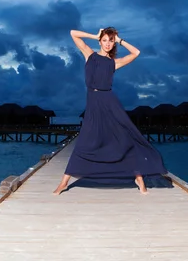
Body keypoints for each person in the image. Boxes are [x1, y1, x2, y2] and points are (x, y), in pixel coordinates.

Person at [53, 27, 169, 195]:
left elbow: (136, 52)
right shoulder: (89, 55)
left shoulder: (114, 62)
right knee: (85, 141)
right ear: (100, 41)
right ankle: (64, 182)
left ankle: (139, 178)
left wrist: (120, 39)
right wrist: (95, 35)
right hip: (93, 104)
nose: (108, 44)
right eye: (105, 40)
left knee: (125, 138)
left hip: (110, 102)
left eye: (111, 41)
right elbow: (72, 33)